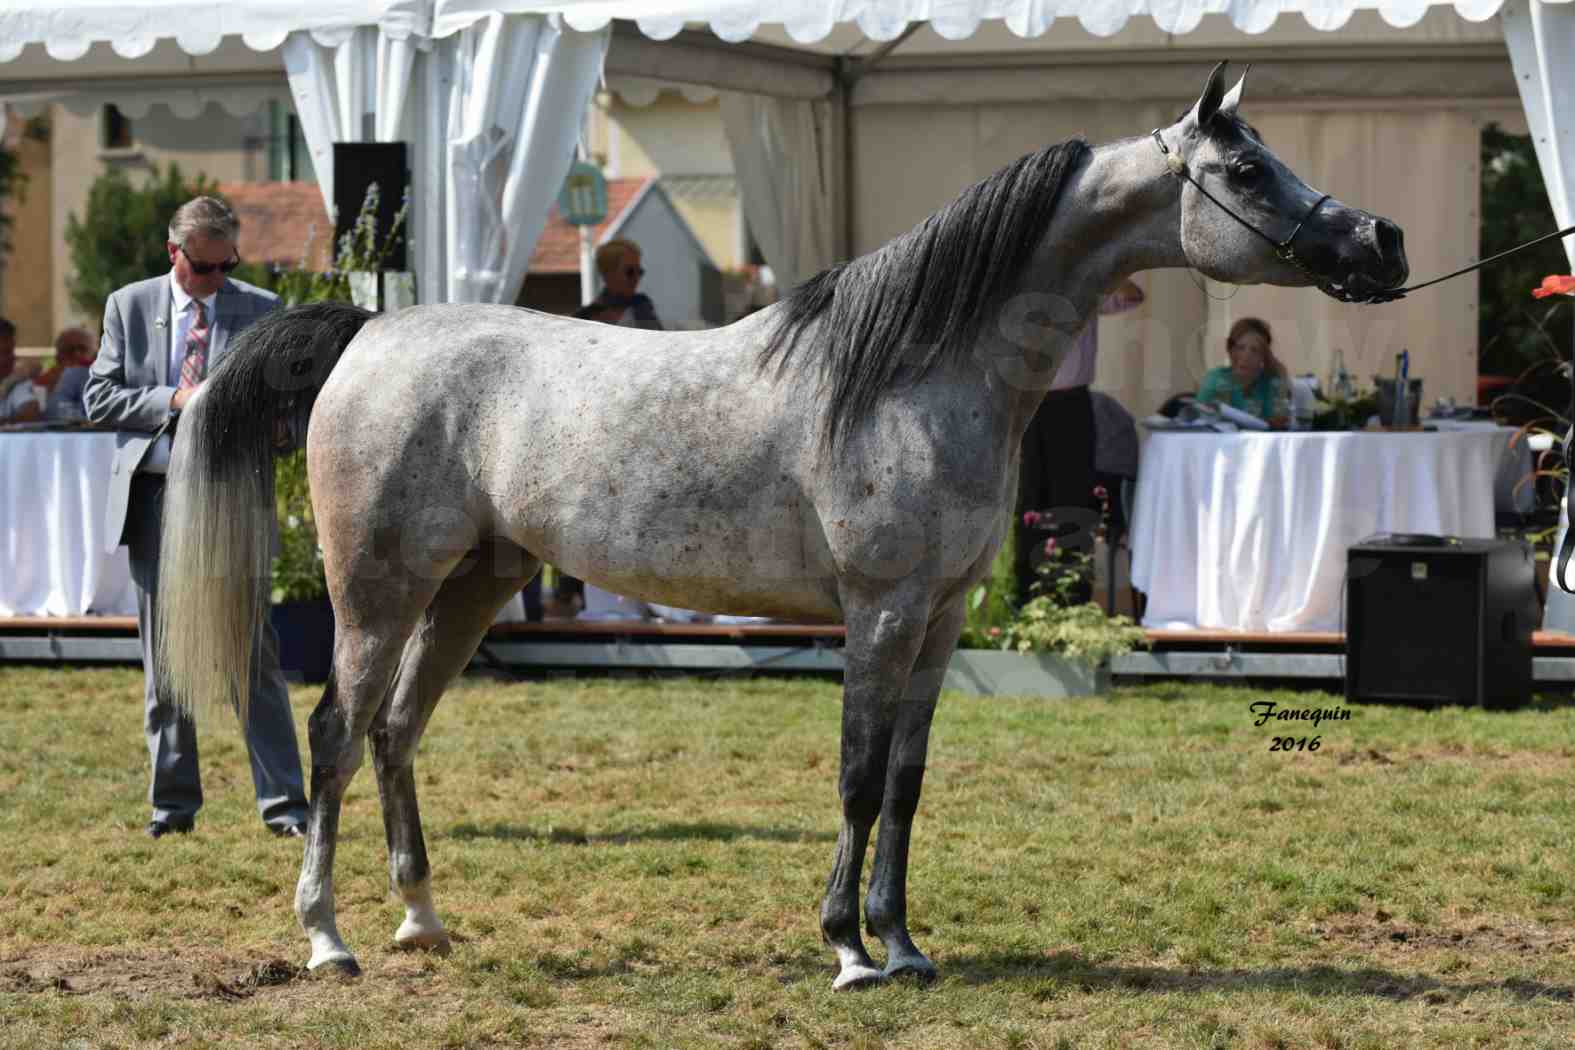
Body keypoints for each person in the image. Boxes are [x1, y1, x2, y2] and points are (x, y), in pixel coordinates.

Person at [83, 196, 309, 841]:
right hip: (156, 499)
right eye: (204, 267)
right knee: (166, 661)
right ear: (173, 253)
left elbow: (291, 413)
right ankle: (172, 809)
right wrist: (178, 398)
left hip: (231, 496)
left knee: (251, 656)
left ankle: (286, 808)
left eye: (226, 264)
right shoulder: (129, 306)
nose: (217, 277)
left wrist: (263, 428)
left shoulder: (264, 311)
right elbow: (100, 397)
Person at [1014, 279, 1144, 603]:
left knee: (1072, 503)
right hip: (1027, 403)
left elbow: (1132, 295)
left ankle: (1072, 601)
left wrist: (1101, 270)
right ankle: (1028, 601)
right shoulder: (1024, 286)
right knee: (1030, 503)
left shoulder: (1085, 284)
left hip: (1071, 405)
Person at [1197, 317, 1286, 421]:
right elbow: (1199, 421)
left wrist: (1278, 370)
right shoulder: (1215, 379)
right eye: (1240, 348)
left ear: (1264, 355)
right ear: (1230, 350)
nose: (1246, 356)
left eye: (1255, 350)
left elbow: (1279, 421)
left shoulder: (1270, 381)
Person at [574, 239, 663, 329]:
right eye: (630, 272)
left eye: (639, 272)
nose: (637, 278)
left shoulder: (643, 307)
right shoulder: (586, 317)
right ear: (609, 273)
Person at [43, 326, 97, 421]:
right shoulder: (45, 381)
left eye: (82, 349)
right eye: (70, 350)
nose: (77, 354)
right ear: (58, 356)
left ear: (94, 353)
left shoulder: (103, 379)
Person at [0, 317, 44, 424]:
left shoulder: (14, 383)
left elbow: (31, 415)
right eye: (3, 352)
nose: (11, 358)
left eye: (10, 352)